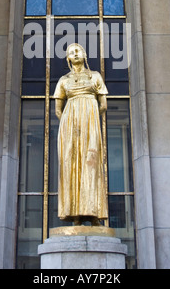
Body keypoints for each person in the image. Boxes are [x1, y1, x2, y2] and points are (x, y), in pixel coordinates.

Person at [54, 43, 108, 226]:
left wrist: (90, 118)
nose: (75, 54)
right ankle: (74, 215)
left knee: (91, 164)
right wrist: (70, 124)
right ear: (68, 58)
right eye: (71, 53)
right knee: (71, 164)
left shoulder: (95, 76)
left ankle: (93, 214)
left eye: (77, 51)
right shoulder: (64, 80)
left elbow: (104, 104)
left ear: (84, 54)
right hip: (70, 124)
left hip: (90, 123)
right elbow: (58, 109)